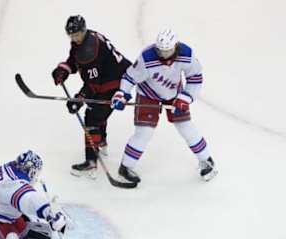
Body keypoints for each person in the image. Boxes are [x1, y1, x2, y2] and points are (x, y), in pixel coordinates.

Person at [111, 29, 218, 183]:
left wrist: (186, 97)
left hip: (174, 94)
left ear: (175, 46)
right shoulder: (147, 57)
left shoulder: (186, 54)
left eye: (167, 51)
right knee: (144, 132)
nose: (164, 55)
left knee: (186, 127)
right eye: (161, 51)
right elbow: (130, 77)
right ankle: (126, 167)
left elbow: (195, 77)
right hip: (148, 94)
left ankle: (206, 160)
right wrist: (121, 93)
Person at [52, 15, 132, 179]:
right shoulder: (86, 39)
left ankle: (90, 162)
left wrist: (80, 98)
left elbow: (94, 85)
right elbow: (75, 60)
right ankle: (101, 142)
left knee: (92, 118)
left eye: (76, 34)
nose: (74, 38)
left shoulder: (89, 50)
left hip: (115, 84)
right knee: (98, 111)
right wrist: (64, 69)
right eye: (71, 35)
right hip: (117, 76)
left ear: (83, 30)